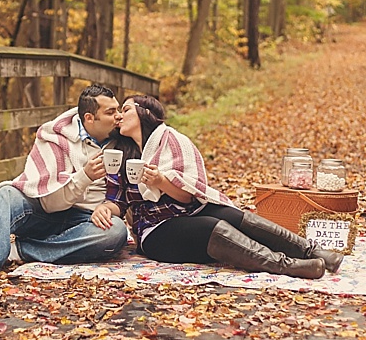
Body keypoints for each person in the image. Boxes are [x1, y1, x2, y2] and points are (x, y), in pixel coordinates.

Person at [91, 95, 343, 279]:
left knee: (233, 215)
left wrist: (160, 182)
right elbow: (118, 201)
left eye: (125, 109)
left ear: (144, 113)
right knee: (213, 226)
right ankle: (286, 265)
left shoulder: (172, 142)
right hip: (155, 231)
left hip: (185, 212)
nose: (120, 116)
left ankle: (312, 251)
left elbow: (188, 197)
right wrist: (105, 207)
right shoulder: (117, 153)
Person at [0, 84, 129, 280]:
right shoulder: (54, 138)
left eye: (119, 109)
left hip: (86, 221)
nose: (119, 116)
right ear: (89, 118)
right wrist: (85, 176)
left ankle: (20, 250)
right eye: (111, 112)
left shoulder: (123, 138)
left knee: (115, 231)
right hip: (43, 213)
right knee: (8, 193)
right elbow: (49, 202)